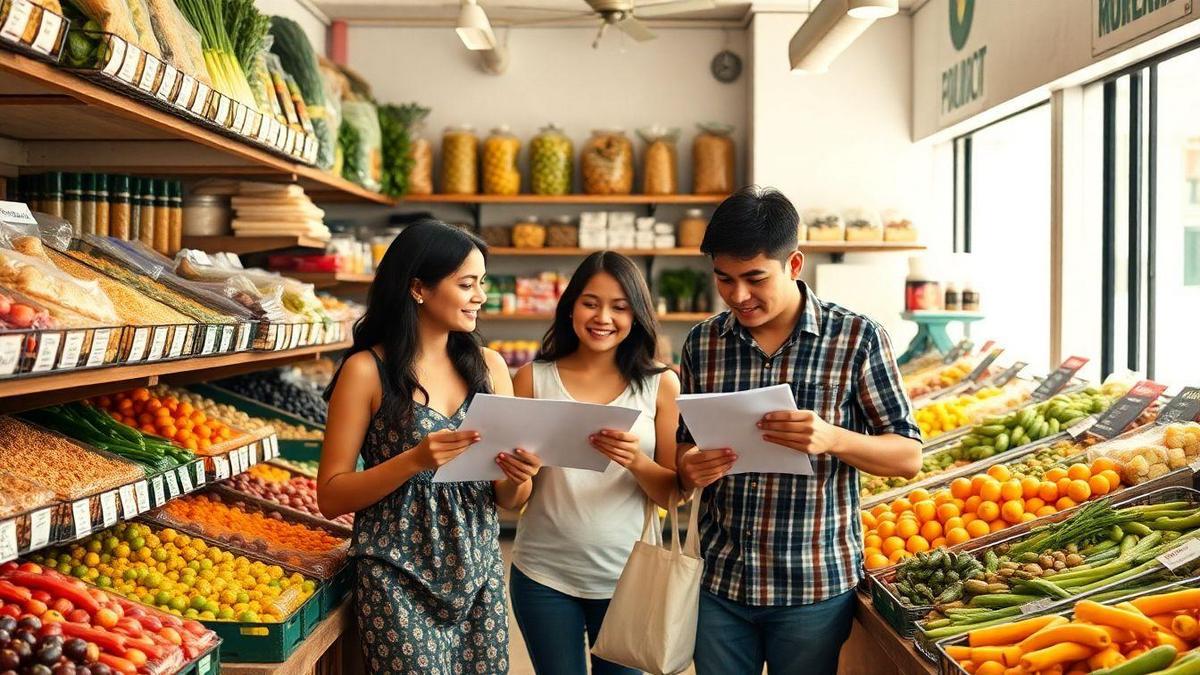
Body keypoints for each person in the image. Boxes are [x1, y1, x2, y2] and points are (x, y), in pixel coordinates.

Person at [674, 187, 923, 675]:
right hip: (720, 580)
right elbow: (684, 445)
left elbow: (908, 456)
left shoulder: (857, 338)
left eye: (755, 278)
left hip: (813, 586)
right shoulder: (703, 342)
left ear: (793, 264)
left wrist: (833, 438)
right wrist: (689, 465)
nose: (738, 296)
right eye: (724, 279)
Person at [317, 220, 542, 675]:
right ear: (418, 288)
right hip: (395, 576)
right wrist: (415, 460)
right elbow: (331, 495)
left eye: (481, 283)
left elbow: (509, 499)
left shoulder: (491, 367)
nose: (480, 296)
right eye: (467, 284)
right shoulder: (366, 370)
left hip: (479, 574)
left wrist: (521, 476)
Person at [508, 251, 681, 675]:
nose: (603, 317)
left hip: (630, 578)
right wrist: (519, 474)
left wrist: (636, 462)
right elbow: (511, 500)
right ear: (570, 308)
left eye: (620, 307)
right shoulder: (533, 378)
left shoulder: (660, 385)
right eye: (590, 303)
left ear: (636, 315)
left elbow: (674, 494)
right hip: (542, 575)